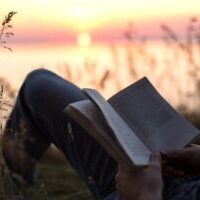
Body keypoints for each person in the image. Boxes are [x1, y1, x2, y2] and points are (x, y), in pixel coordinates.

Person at [2, 69, 200, 200]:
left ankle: (13, 186)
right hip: (183, 178)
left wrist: (143, 193)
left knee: (38, 86)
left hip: (148, 192)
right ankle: (14, 183)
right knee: (38, 85)